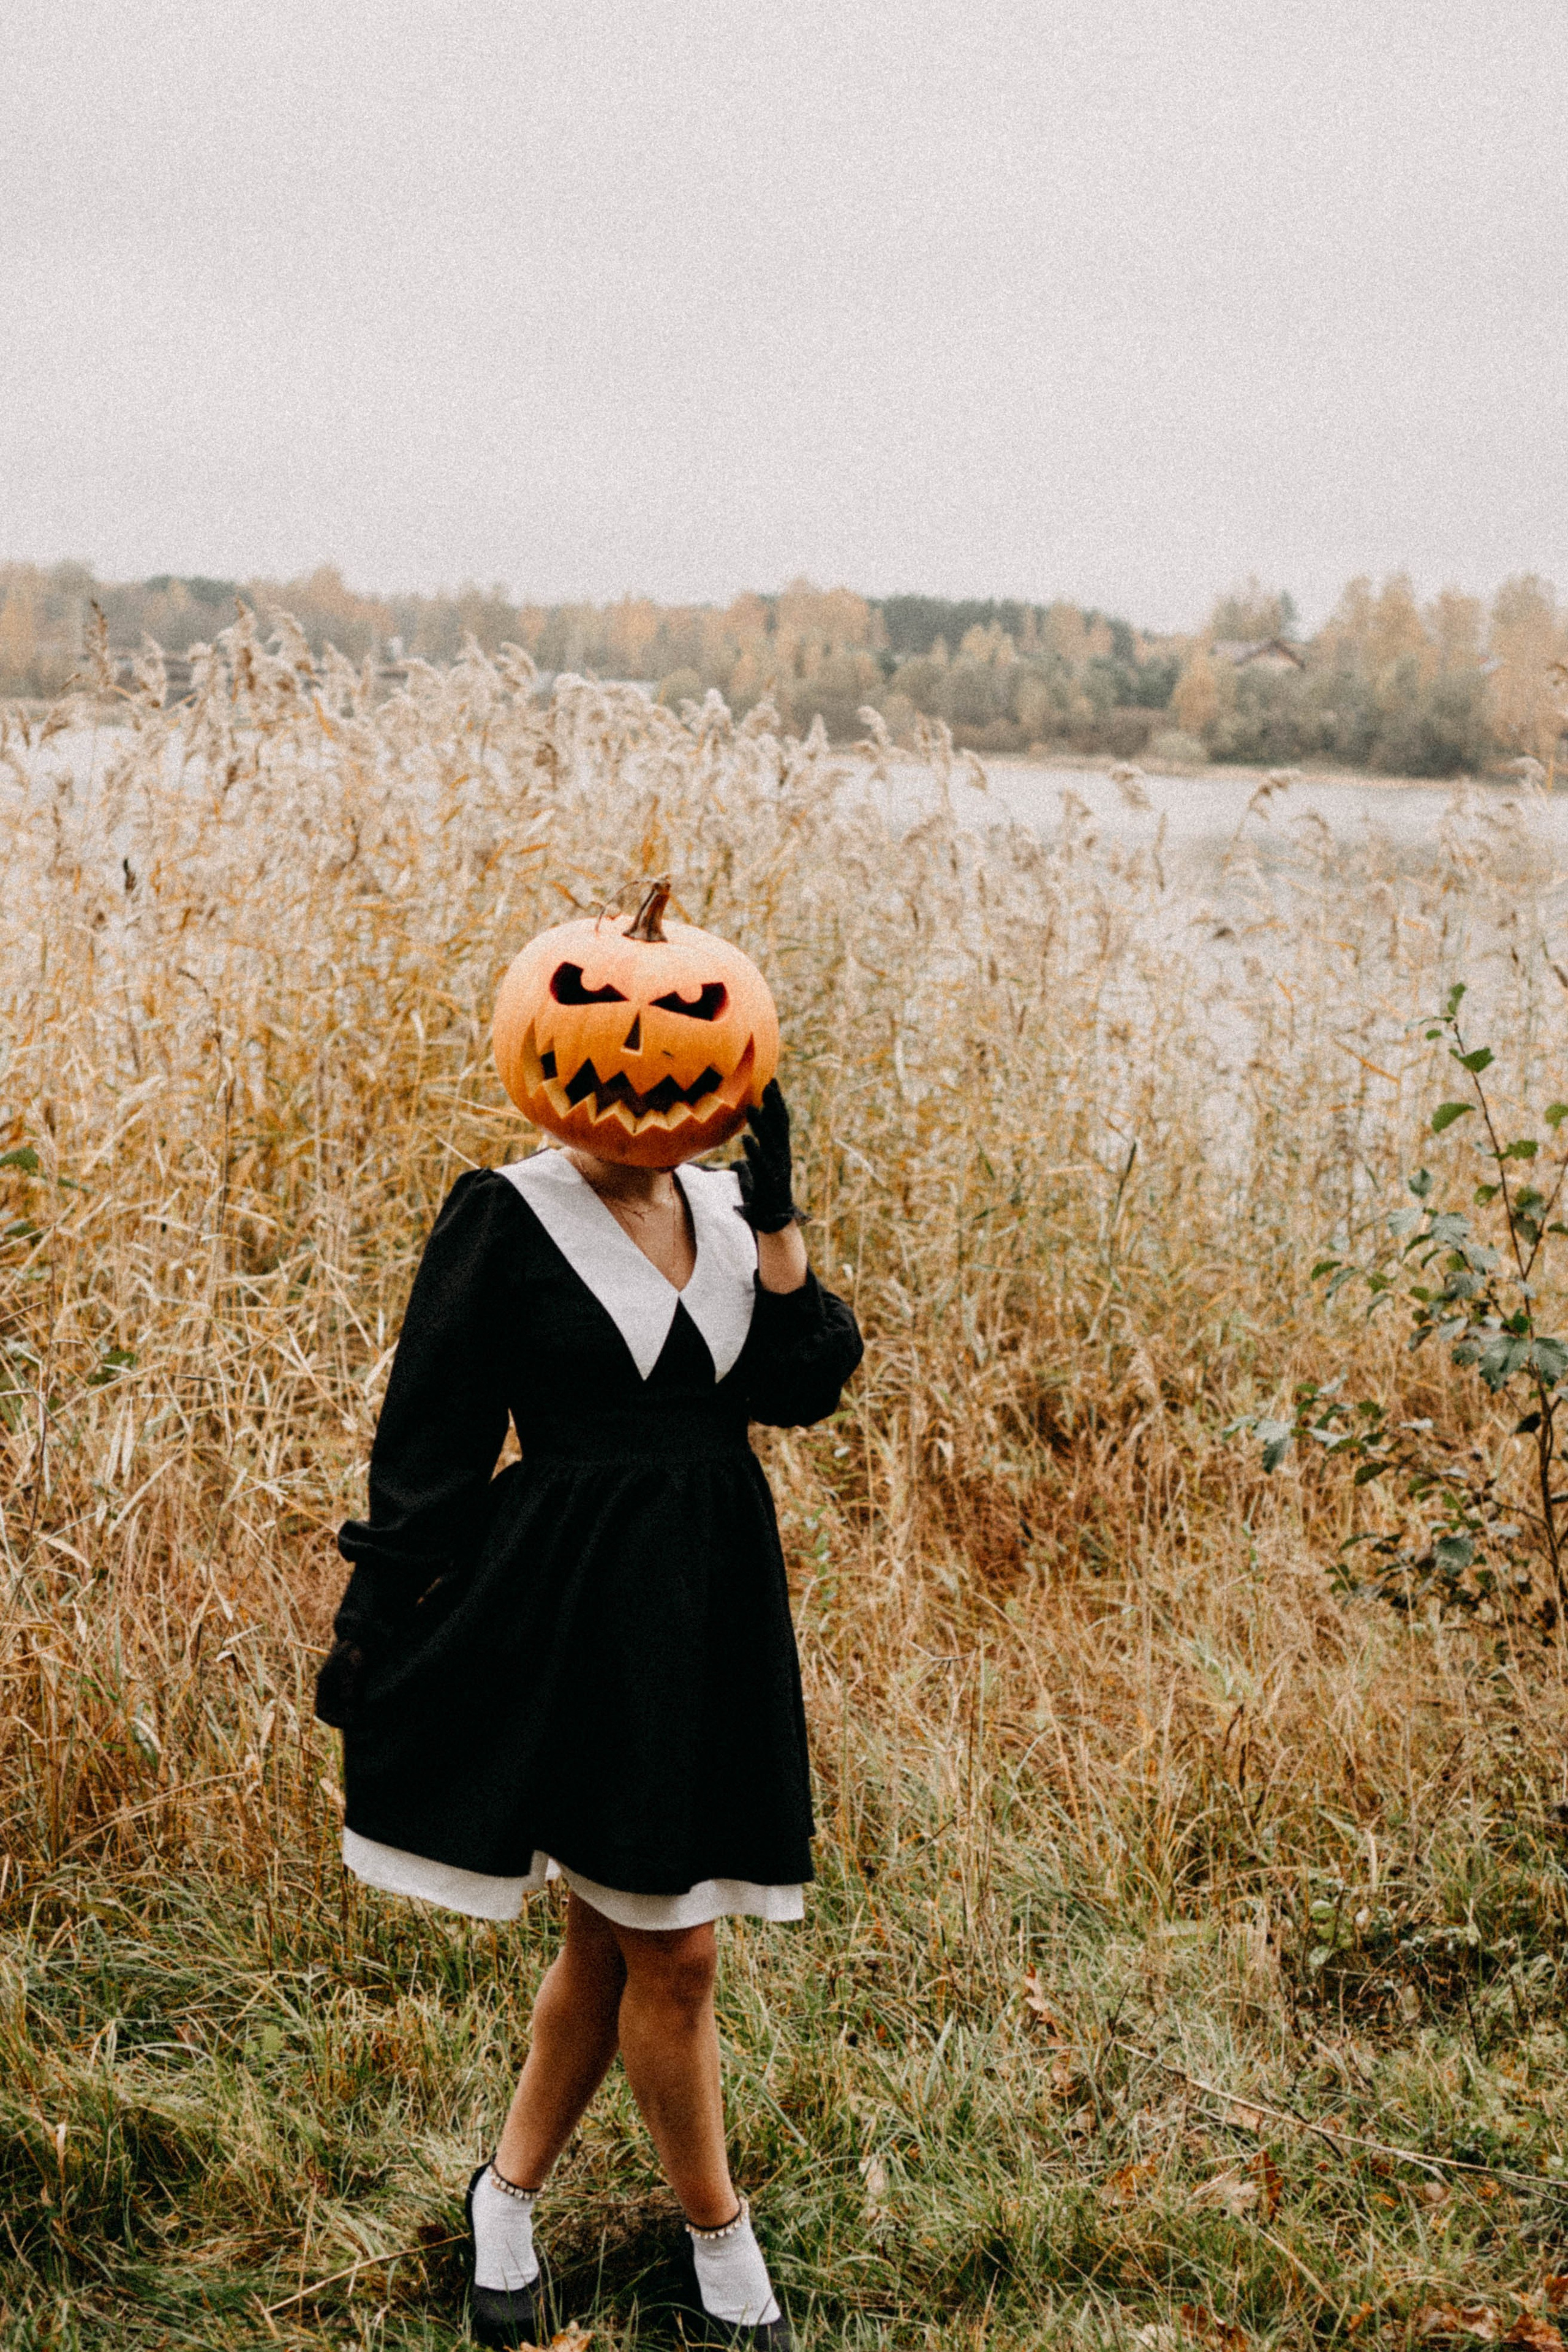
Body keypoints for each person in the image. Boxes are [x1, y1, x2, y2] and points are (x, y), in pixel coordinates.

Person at [315, 1080, 862, 2348]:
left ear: (716, 1087)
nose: (626, 1101)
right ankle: (720, 2242)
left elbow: (802, 1384)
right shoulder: (505, 1215)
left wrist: (779, 1226)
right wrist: (374, 1620)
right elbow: (431, 1442)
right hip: (565, 1613)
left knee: (613, 1941)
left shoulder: (726, 1208)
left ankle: (503, 2199)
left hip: (708, 1610)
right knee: (675, 1951)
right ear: (547, 1063)